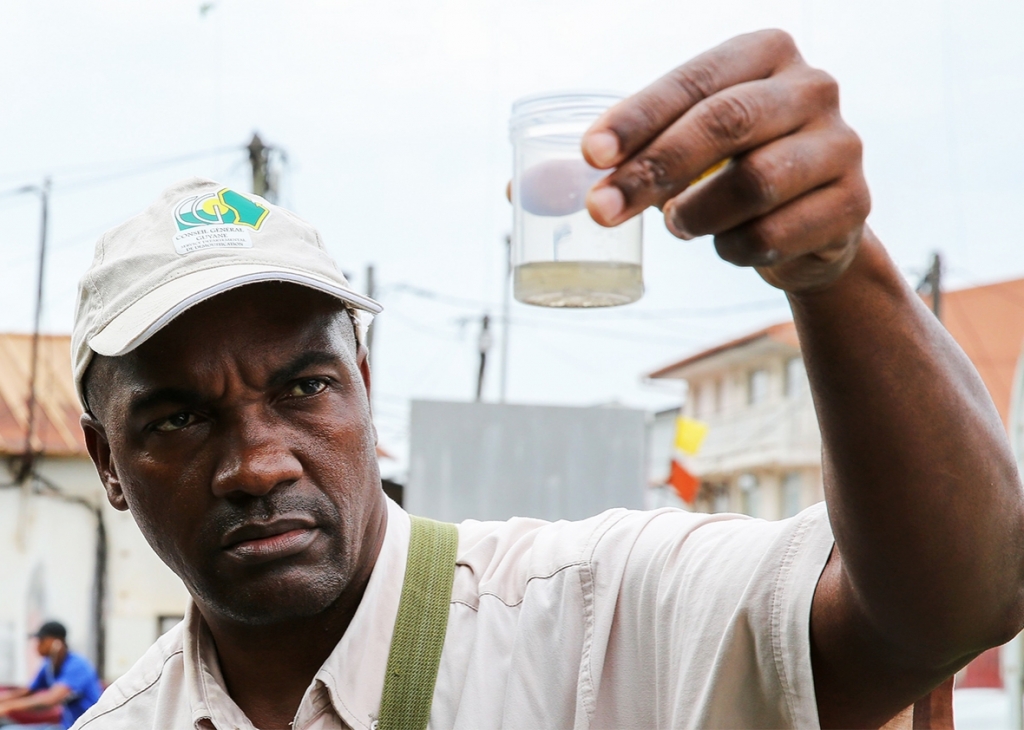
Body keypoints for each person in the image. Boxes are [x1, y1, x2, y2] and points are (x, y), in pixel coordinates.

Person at [69, 29, 1024, 730]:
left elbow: (959, 603)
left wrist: (838, 269)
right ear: (105, 460)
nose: (257, 464)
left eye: (304, 387)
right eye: (180, 419)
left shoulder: (594, 614)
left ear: (363, 379)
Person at [0, 622, 102, 730]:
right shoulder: (49, 666)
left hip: (88, 727)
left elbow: (50, 700)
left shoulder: (77, 666)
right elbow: (26, 692)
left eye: (41, 640)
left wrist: (8, 707)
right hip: (66, 726)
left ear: (56, 643)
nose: (37, 645)